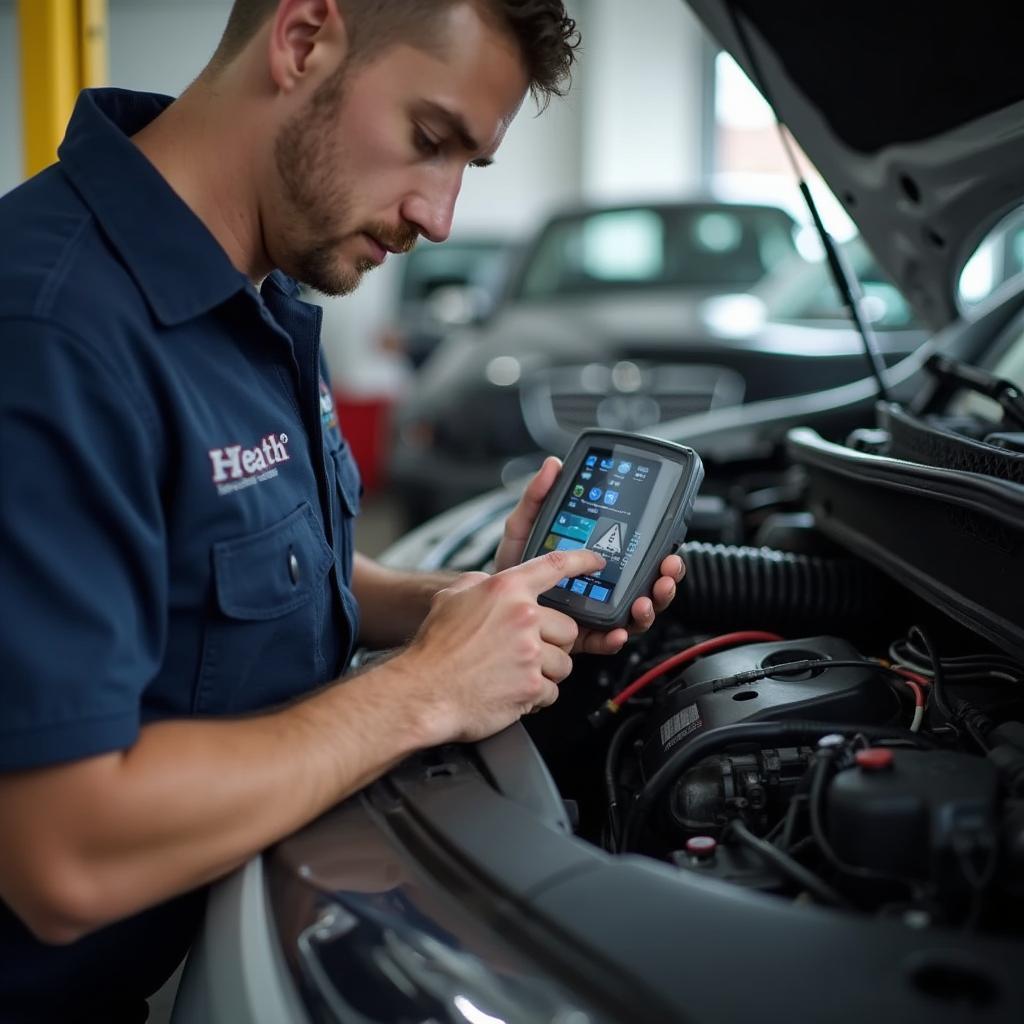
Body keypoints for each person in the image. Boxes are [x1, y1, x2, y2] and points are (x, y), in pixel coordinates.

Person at [0, 1, 685, 1020]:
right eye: (428, 139)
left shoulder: (255, 292)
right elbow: (64, 851)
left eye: (469, 167)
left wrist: (475, 604)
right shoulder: (51, 334)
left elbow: (254, 569)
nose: (440, 216)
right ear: (304, 36)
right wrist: (427, 689)